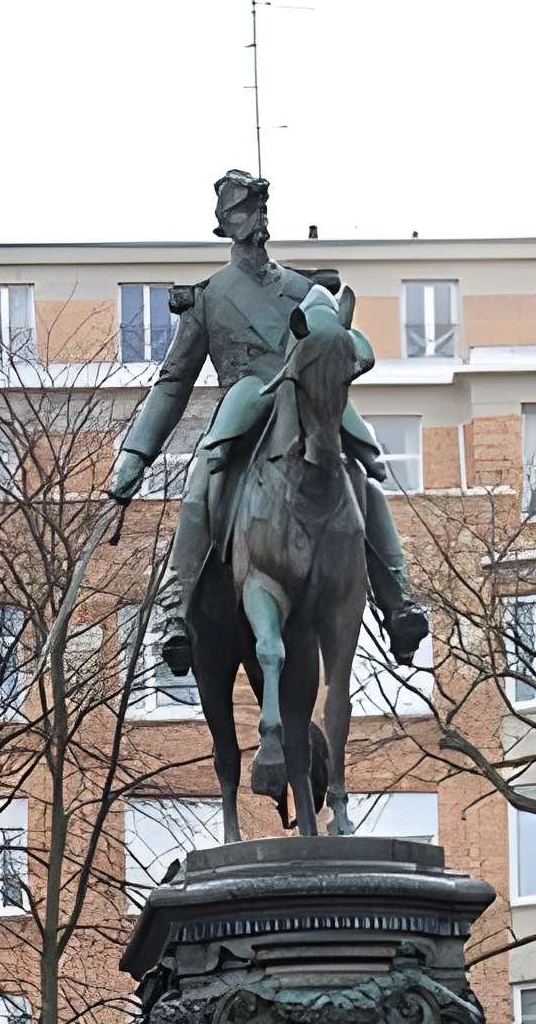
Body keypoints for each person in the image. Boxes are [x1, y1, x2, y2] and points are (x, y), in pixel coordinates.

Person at [106, 169, 429, 676]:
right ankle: (176, 609)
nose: (252, 219)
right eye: (241, 212)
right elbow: (173, 383)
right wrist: (135, 456)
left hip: (304, 400)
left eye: (258, 209)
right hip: (246, 396)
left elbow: (340, 345)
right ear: (225, 226)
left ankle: (399, 601)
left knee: (363, 476)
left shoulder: (304, 288)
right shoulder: (209, 296)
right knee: (202, 481)